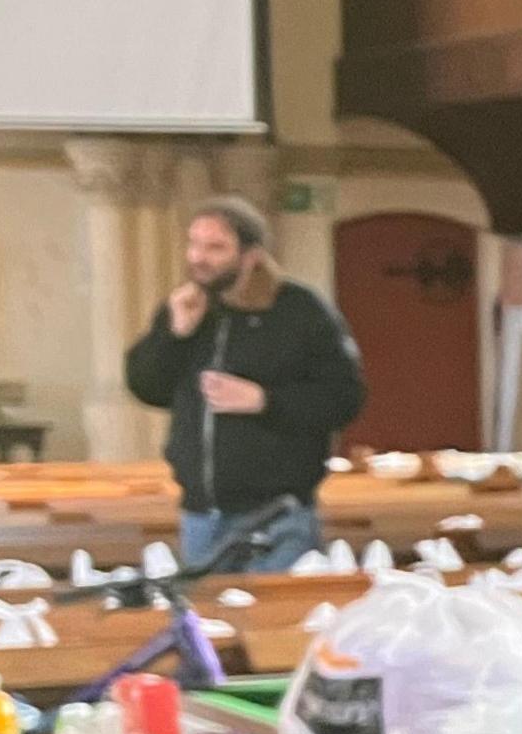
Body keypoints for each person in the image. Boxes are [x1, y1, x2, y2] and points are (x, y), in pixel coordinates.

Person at [122, 196, 364, 569]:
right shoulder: (186, 308)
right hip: (201, 515)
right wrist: (175, 335)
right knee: (208, 624)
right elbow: (146, 387)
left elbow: (345, 398)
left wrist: (264, 400)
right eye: (194, 244)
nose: (199, 257)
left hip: (278, 515)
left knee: (274, 622)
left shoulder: (299, 311)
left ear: (251, 255)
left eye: (215, 247)